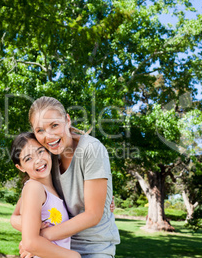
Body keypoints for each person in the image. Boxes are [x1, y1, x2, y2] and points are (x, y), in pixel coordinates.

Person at [11, 96, 120, 258]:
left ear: (67, 120)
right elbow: (17, 215)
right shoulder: (46, 157)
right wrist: (32, 239)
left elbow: (93, 215)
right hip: (57, 249)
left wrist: (38, 239)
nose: (48, 136)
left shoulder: (91, 149)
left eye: (54, 125)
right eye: (40, 130)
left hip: (93, 248)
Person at [10, 132, 81, 258]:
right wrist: (73, 256)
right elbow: (31, 242)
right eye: (28, 159)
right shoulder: (33, 188)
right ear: (20, 167)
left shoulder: (50, 187)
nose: (38, 160)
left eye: (40, 151)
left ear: (48, 151)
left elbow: (15, 216)